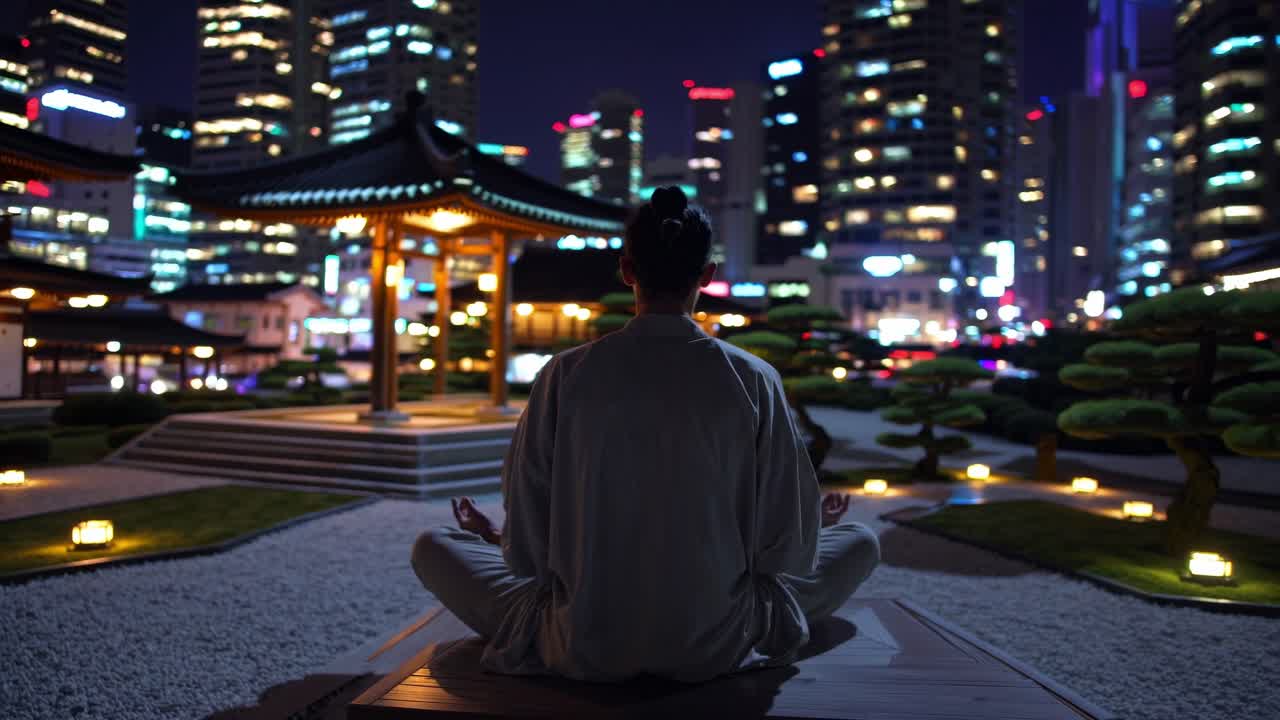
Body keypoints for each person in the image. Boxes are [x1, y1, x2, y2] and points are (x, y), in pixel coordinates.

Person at [411, 186, 879, 682]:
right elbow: (785, 552)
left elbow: (530, 556)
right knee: (860, 541)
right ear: (707, 276)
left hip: (582, 638)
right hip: (720, 638)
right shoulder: (754, 378)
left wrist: (496, 537)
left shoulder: (565, 374)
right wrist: (810, 530)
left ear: (627, 271)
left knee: (433, 545)